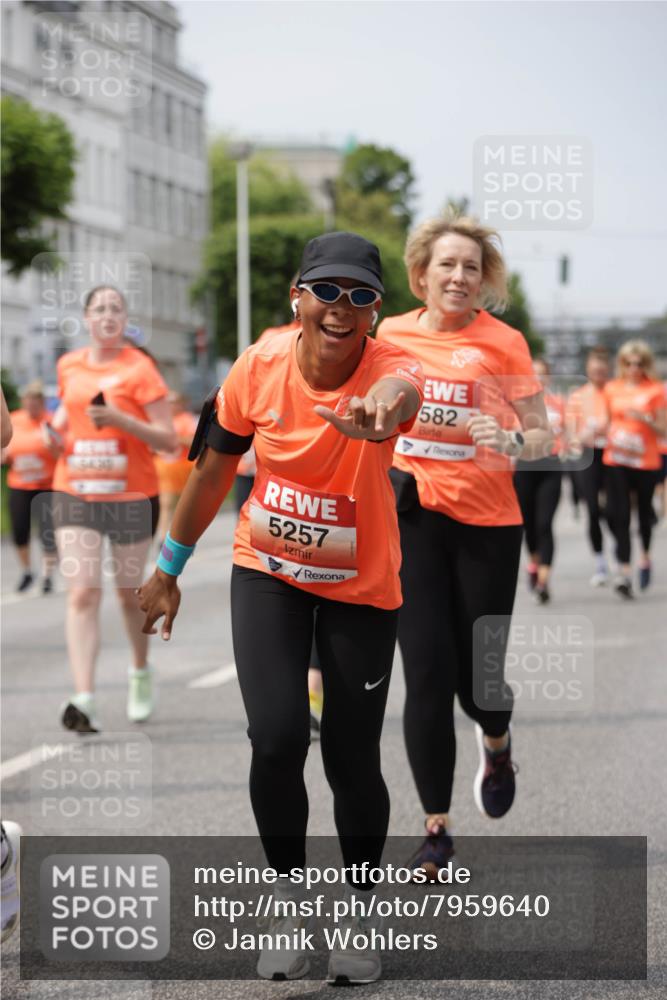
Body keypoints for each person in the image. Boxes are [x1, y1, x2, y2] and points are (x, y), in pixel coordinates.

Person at [138, 232, 424, 984]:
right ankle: (288, 906)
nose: (340, 308)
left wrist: (379, 414)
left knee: (350, 755)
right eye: (326, 290)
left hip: (361, 585)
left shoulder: (388, 368)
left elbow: (404, 397)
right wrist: (167, 569)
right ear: (296, 295)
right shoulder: (257, 366)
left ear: (375, 311)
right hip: (266, 570)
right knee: (275, 735)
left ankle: (359, 914)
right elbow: (209, 474)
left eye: (359, 296)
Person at [376, 214, 552, 878]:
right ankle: (435, 831)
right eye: (446, 265)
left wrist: (508, 440)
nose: (458, 276)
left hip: (487, 525)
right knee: (424, 674)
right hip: (413, 518)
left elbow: (541, 435)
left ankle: (497, 742)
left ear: (484, 281)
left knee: (478, 686)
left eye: (471, 267)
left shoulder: (502, 343)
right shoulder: (387, 335)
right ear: (421, 273)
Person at [48, 285, 176, 732]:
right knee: (82, 591)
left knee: (127, 594)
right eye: (99, 309)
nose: (107, 316)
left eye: (115, 309)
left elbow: (169, 440)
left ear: (125, 320)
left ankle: (140, 671)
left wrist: (121, 421)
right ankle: (84, 696)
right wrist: (53, 433)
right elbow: (66, 415)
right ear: (85, 318)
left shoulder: (140, 370)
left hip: (130, 495)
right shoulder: (69, 365)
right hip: (74, 489)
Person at [602, 340, 666, 598]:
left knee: (643, 516)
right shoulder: (611, 388)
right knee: (620, 515)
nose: (633, 368)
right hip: (616, 459)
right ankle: (624, 572)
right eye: (628, 363)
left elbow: (664, 429)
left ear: (646, 365)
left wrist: (646, 419)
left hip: (645, 461)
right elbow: (606, 423)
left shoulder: (655, 390)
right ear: (622, 364)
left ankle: (645, 558)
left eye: (639, 364)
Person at [513, 358, 566, 604]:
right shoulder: (517, 405)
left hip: (551, 465)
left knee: (545, 523)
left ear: (548, 378)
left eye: (542, 375)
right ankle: (534, 562)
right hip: (524, 465)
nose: (537, 379)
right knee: (529, 524)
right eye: (532, 374)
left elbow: (569, 432)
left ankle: (544, 580)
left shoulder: (558, 404)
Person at [2, 381, 58, 592]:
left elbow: (60, 453)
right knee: (20, 529)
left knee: (47, 531)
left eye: (36, 402)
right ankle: (27, 571)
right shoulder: (14, 420)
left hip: (47, 485)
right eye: (29, 401)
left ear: (42, 403)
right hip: (19, 484)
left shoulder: (50, 422)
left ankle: (47, 575)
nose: (32, 406)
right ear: (24, 402)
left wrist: (51, 446)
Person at [567, 347, 612, 585]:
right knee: (593, 510)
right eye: (594, 369)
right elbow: (571, 432)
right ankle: (600, 561)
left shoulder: (614, 393)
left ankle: (618, 546)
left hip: (613, 453)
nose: (598, 373)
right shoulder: (578, 396)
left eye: (602, 370)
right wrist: (580, 436)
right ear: (588, 369)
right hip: (588, 454)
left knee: (615, 509)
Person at [154, 392, 197, 548]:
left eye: (174, 402)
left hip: (183, 467)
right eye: (169, 403)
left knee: (184, 506)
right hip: (164, 468)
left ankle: (182, 536)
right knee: (165, 503)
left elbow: (194, 442)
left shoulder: (186, 420)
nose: (172, 406)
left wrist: (174, 438)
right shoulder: (160, 420)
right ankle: (162, 537)